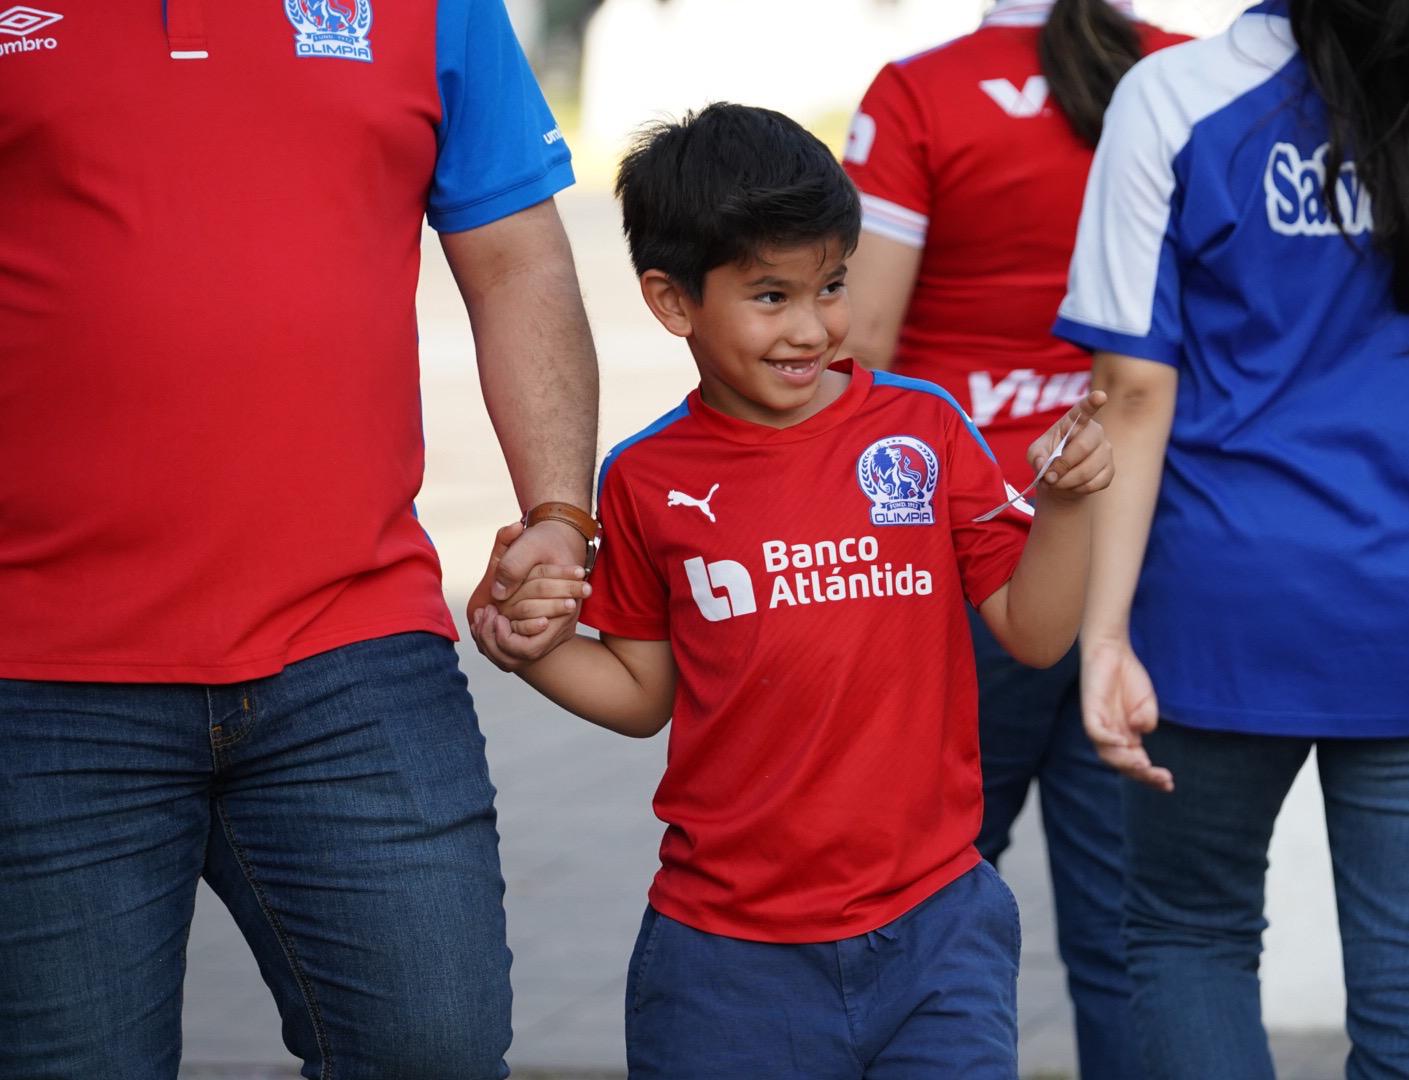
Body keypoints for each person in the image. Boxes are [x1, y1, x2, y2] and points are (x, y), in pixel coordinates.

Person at [0, 2, 598, 1076]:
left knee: (437, 1053)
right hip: (41, 673)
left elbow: (516, 263)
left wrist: (559, 515)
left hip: (352, 654)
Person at [470, 102, 1115, 1079]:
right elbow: (644, 698)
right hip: (723, 962)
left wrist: (1068, 507)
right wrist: (532, 650)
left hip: (935, 934)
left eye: (832, 285)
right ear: (672, 300)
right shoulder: (644, 479)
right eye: (771, 295)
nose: (813, 327)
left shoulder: (924, 429)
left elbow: (1033, 633)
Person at [1053, 0, 1409, 1075]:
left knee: (1187, 935)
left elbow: (1129, 390)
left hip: (1219, 606)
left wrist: (1101, 636)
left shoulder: (1177, 96)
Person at [840, 2, 1185, 1073]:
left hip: (965, 559)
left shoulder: (918, 92)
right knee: (1134, 937)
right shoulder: (1188, 77)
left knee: (920, 900)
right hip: (1145, 546)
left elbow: (859, 341)